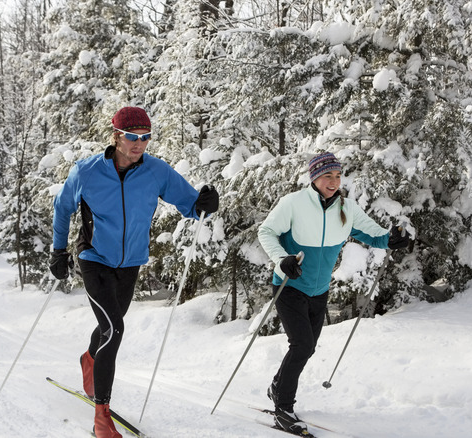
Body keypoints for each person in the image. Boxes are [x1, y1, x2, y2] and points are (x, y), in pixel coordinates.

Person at [49, 106, 219, 438]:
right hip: (94, 256)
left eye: (145, 138)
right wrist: (58, 250)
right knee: (114, 328)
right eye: (131, 137)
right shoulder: (87, 172)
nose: (139, 144)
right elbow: (63, 207)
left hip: (130, 263)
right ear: (116, 136)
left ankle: (89, 359)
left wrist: (205, 203)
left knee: (107, 326)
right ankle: (102, 415)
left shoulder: (156, 171)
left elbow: (190, 204)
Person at [257, 151, 410, 436]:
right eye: (328, 175)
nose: (334, 181)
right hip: (289, 285)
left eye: (338, 176)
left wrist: (393, 239)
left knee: (309, 346)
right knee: (301, 344)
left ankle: (277, 386)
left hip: (319, 289)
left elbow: (374, 234)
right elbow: (266, 232)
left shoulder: (346, 208)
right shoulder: (293, 203)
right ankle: (284, 408)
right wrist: (282, 258)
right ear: (314, 177)